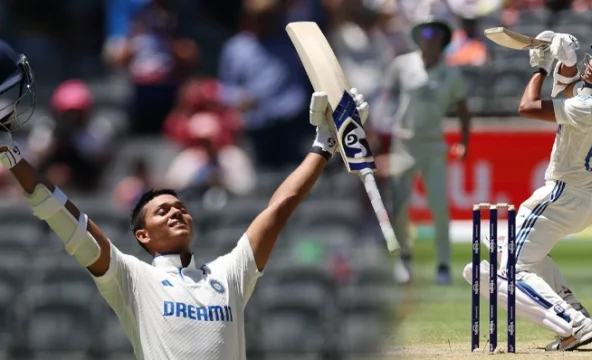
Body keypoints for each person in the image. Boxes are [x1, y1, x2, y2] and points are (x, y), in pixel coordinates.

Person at [0, 39, 370, 359]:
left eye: (180, 208)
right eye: (162, 211)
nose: (177, 212)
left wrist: (325, 144)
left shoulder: (231, 273)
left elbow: (279, 208)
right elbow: (70, 224)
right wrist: (12, 158)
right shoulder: (131, 279)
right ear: (142, 235)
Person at [463, 32, 592, 351]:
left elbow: (528, 107)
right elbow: (567, 89)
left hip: (558, 197)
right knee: (531, 256)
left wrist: (539, 67)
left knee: (511, 269)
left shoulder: (587, 107)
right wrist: (567, 61)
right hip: (583, 202)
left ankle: (572, 322)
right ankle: (576, 312)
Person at [382, 17, 472, 285]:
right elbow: (387, 98)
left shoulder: (451, 73)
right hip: (403, 144)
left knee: (439, 207)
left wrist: (465, 140)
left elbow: (464, 109)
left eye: (434, 33)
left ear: (442, 40)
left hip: (433, 145)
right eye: (424, 32)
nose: (428, 37)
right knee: (399, 206)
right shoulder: (402, 64)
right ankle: (403, 260)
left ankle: (443, 265)